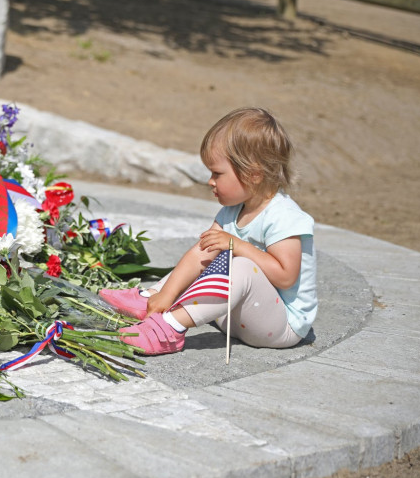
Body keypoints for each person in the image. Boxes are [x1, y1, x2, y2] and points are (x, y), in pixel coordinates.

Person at [99, 107, 316, 355]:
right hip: (232, 316)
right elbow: (198, 256)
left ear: (253, 174)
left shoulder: (283, 216)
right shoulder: (232, 211)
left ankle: (170, 329)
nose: (210, 181)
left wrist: (239, 246)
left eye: (217, 173)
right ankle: (151, 299)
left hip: (279, 326)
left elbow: (286, 276)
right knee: (204, 256)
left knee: (241, 265)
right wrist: (167, 293)